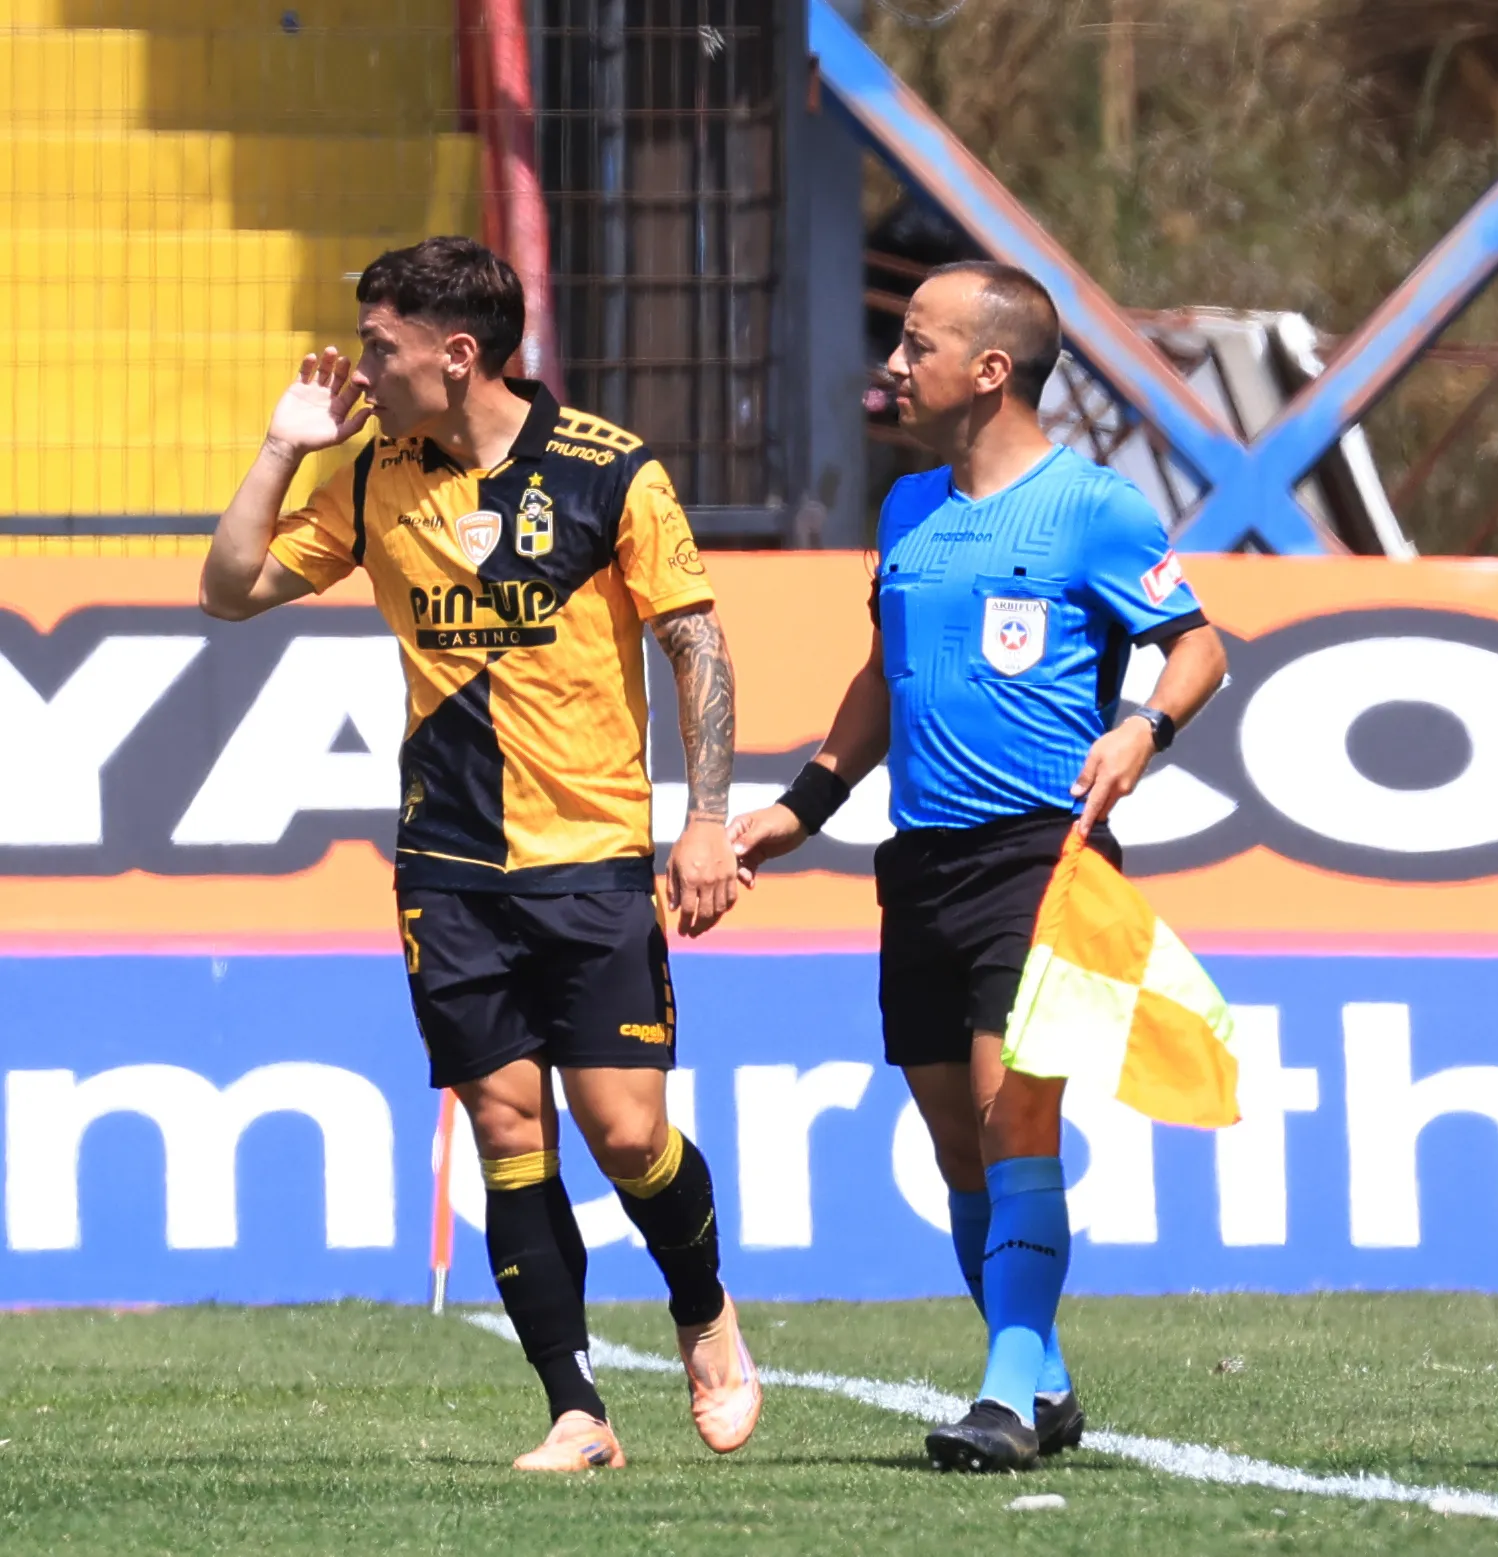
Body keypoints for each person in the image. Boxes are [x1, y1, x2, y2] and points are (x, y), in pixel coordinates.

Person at [198, 236, 760, 1472]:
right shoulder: (370, 477)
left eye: (382, 348)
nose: (363, 368)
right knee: (511, 1132)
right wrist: (287, 444)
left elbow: (697, 645)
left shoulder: (613, 473)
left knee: (626, 1137)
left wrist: (707, 816)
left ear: (459, 355)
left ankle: (701, 1305)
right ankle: (577, 1411)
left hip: (593, 856)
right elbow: (229, 587)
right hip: (446, 866)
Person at [726, 261, 1228, 1474]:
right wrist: (806, 802)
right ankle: (1045, 1380)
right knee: (958, 1145)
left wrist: (1142, 730)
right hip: (923, 866)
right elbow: (880, 676)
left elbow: (1199, 645)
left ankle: (1003, 1397)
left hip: (1041, 862)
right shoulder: (905, 509)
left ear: (990, 369)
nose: (893, 364)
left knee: (1017, 1122)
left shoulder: (1094, 509)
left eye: (915, 342)